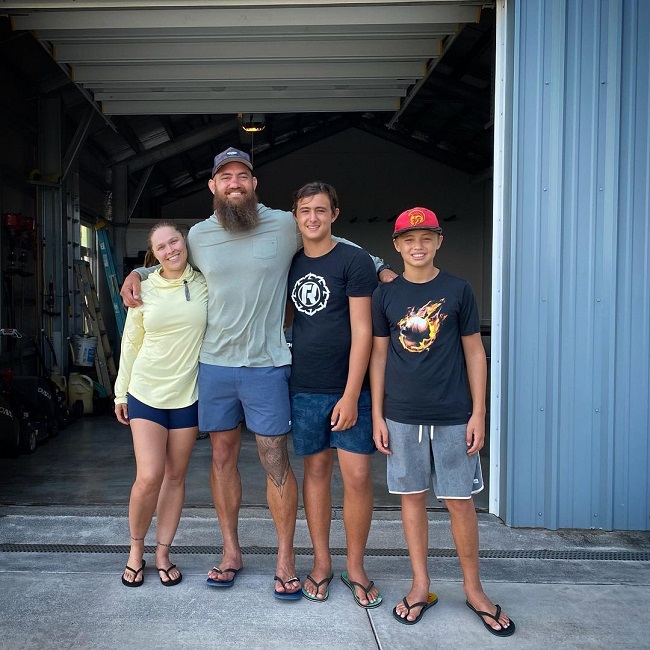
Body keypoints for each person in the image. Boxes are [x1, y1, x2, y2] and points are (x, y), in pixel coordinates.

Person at [120, 147, 397, 598]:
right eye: (224, 177)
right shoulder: (200, 235)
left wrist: (382, 267)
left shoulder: (285, 224)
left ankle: (285, 559)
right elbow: (167, 263)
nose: (234, 183)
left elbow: (331, 240)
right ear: (212, 186)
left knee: (275, 460)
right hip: (214, 366)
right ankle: (232, 552)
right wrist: (135, 271)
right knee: (223, 458)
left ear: (253, 184)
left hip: (268, 366)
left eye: (242, 176)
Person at [369, 207, 515, 635]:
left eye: (426, 237)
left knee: (459, 503)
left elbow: (474, 351)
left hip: (453, 416)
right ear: (396, 245)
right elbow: (379, 356)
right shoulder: (386, 297)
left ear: (438, 241)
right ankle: (420, 585)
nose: (418, 245)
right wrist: (377, 414)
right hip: (401, 415)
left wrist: (479, 412)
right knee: (412, 499)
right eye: (409, 239)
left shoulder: (458, 290)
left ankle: (474, 589)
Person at [288, 181, 381, 607]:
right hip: (305, 386)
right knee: (317, 475)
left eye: (321, 210)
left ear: (334, 215)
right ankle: (321, 562)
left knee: (358, 478)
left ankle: (356, 566)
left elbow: (364, 331)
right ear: (296, 216)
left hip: (351, 390)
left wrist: (349, 394)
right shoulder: (289, 263)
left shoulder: (354, 260)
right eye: (305, 210)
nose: (313, 217)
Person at [115, 221, 208, 588]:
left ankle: (163, 551)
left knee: (175, 476)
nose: (171, 250)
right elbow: (131, 343)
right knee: (150, 475)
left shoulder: (202, 282)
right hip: (147, 392)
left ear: (184, 243)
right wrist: (121, 392)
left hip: (188, 394)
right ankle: (135, 550)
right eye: (162, 246)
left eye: (175, 241)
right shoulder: (143, 289)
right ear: (153, 254)